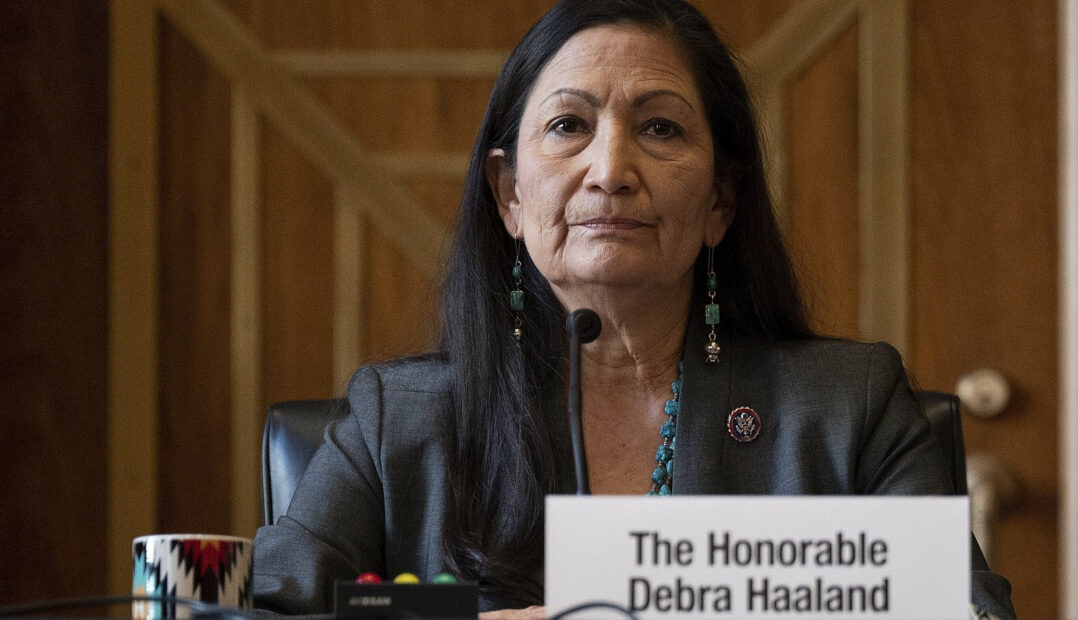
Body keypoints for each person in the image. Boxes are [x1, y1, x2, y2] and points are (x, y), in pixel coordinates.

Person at [252, 0, 1015, 617]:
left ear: (721, 200)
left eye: (660, 128)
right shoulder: (400, 422)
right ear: (509, 193)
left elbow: (968, 609)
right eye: (568, 126)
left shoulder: (847, 409)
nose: (610, 170)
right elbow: (268, 608)